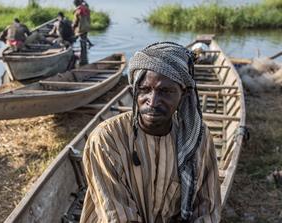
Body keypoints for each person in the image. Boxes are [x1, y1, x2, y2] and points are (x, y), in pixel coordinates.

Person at [80, 42, 221, 223]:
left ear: (184, 94)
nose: (153, 102)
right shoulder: (107, 138)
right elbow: (117, 216)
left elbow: (207, 208)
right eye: (144, 90)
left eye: (165, 91)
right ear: (134, 91)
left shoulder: (197, 137)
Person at [73, 0, 91, 65]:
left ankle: (82, 60)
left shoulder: (78, 10)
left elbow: (75, 21)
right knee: (84, 40)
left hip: (81, 28)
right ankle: (84, 57)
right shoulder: (86, 8)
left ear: (76, 4)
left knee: (81, 41)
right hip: (87, 26)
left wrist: (72, 27)